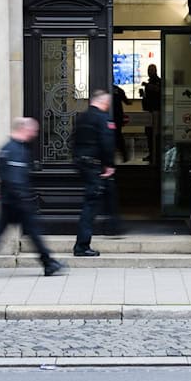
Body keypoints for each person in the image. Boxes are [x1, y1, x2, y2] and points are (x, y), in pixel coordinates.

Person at [0, 117, 64, 280]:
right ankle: (49, 263)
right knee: (33, 233)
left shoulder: (7, 148)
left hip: (8, 199)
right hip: (17, 201)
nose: (35, 133)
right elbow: (15, 178)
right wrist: (25, 199)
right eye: (33, 130)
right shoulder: (16, 150)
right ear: (23, 129)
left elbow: (4, 175)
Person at [72, 90, 116, 257]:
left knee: (92, 201)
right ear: (103, 102)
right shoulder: (102, 118)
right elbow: (107, 142)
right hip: (94, 165)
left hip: (82, 164)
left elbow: (73, 140)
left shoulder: (81, 117)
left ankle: (112, 224)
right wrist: (109, 165)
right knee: (91, 204)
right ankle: (82, 246)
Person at [139, 64, 162, 164]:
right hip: (149, 112)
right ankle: (151, 153)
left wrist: (147, 86)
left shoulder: (158, 81)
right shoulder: (149, 83)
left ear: (155, 71)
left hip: (156, 112)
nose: (149, 72)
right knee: (149, 134)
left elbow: (158, 90)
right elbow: (148, 98)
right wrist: (143, 95)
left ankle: (156, 154)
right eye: (148, 70)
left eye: (151, 70)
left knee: (155, 134)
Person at [111, 85, 132, 163]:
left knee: (111, 135)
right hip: (117, 118)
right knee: (118, 135)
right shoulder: (119, 90)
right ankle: (124, 154)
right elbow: (127, 102)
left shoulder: (104, 88)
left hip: (109, 118)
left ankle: (111, 155)